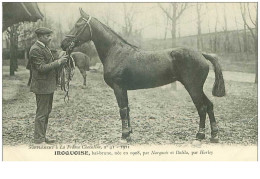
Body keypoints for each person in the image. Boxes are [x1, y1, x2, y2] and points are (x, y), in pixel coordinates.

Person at [28, 27, 68, 144]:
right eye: (47, 36)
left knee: (46, 112)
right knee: (41, 113)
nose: (49, 38)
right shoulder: (35, 49)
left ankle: (41, 136)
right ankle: (39, 139)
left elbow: (50, 60)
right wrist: (58, 62)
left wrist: (60, 57)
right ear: (40, 37)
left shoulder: (44, 48)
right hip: (41, 87)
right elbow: (41, 68)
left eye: (50, 36)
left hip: (47, 86)